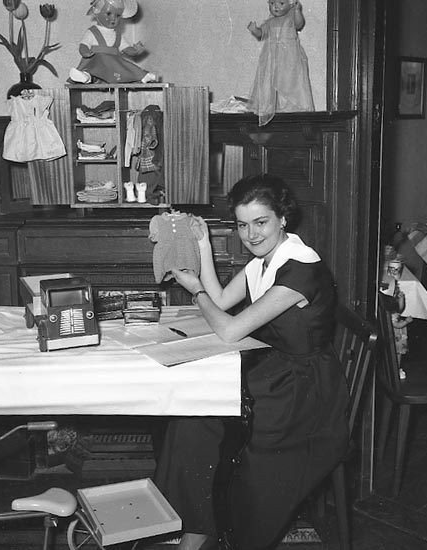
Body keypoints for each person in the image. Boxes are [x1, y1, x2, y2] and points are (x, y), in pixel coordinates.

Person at [153, 174, 349, 550]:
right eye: (242, 225)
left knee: (204, 421)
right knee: (190, 413)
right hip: (277, 374)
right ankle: (197, 526)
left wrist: (195, 290)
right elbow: (222, 300)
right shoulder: (266, 260)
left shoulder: (300, 269)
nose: (251, 234)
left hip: (305, 393)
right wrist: (203, 245)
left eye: (260, 222)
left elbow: (228, 329)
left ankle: (211, 529)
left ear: (283, 218)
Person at [247, 0, 314, 126]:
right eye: (272, 3)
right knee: (271, 81)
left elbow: (299, 24)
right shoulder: (270, 22)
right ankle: (274, 106)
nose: (276, 7)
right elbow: (261, 33)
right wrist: (254, 30)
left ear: (290, 3)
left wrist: (297, 10)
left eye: (281, 3)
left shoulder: (290, 19)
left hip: (289, 59)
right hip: (272, 60)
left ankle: (289, 106)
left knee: (289, 81)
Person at [69, 0, 158, 84]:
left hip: (112, 66)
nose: (113, 18)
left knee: (126, 66)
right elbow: (84, 45)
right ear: (96, 11)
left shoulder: (118, 35)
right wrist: (85, 52)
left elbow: (126, 49)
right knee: (91, 67)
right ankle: (85, 77)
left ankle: (143, 76)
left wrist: (135, 51)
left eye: (118, 15)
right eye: (108, 14)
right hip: (95, 62)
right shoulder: (92, 32)